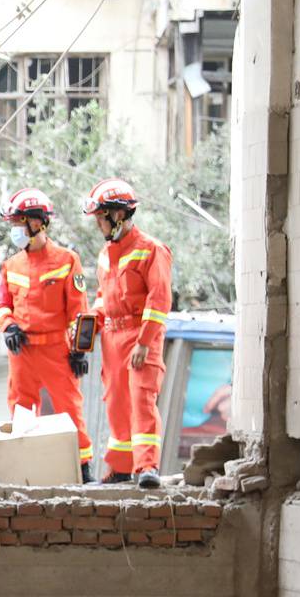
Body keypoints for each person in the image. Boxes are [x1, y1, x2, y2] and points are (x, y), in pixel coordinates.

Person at [0, 186, 93, 479]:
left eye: (20, 223)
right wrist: (8, 326)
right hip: (22, 352)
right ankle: (24, 469)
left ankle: (83, 468)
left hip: (57, 351)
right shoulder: (11, 265)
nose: (16, 230)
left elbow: (79, 310)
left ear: (38, 222)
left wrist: (80, 350)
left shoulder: (66, 260)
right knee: (21, 413)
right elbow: (0, 304)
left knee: (69, 409)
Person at [83, 178, 173, 488]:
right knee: (117, 403)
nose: (99, 225)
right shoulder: (105, 255)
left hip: (139, 337)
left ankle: (146, 467)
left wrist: (144, 342)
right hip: (112, 338)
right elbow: (102, 297)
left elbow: (159, 298)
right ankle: (120, 468)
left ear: (117, 215)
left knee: (141, 399)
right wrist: (90, 323)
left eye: (100, 218)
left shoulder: (151, 250)